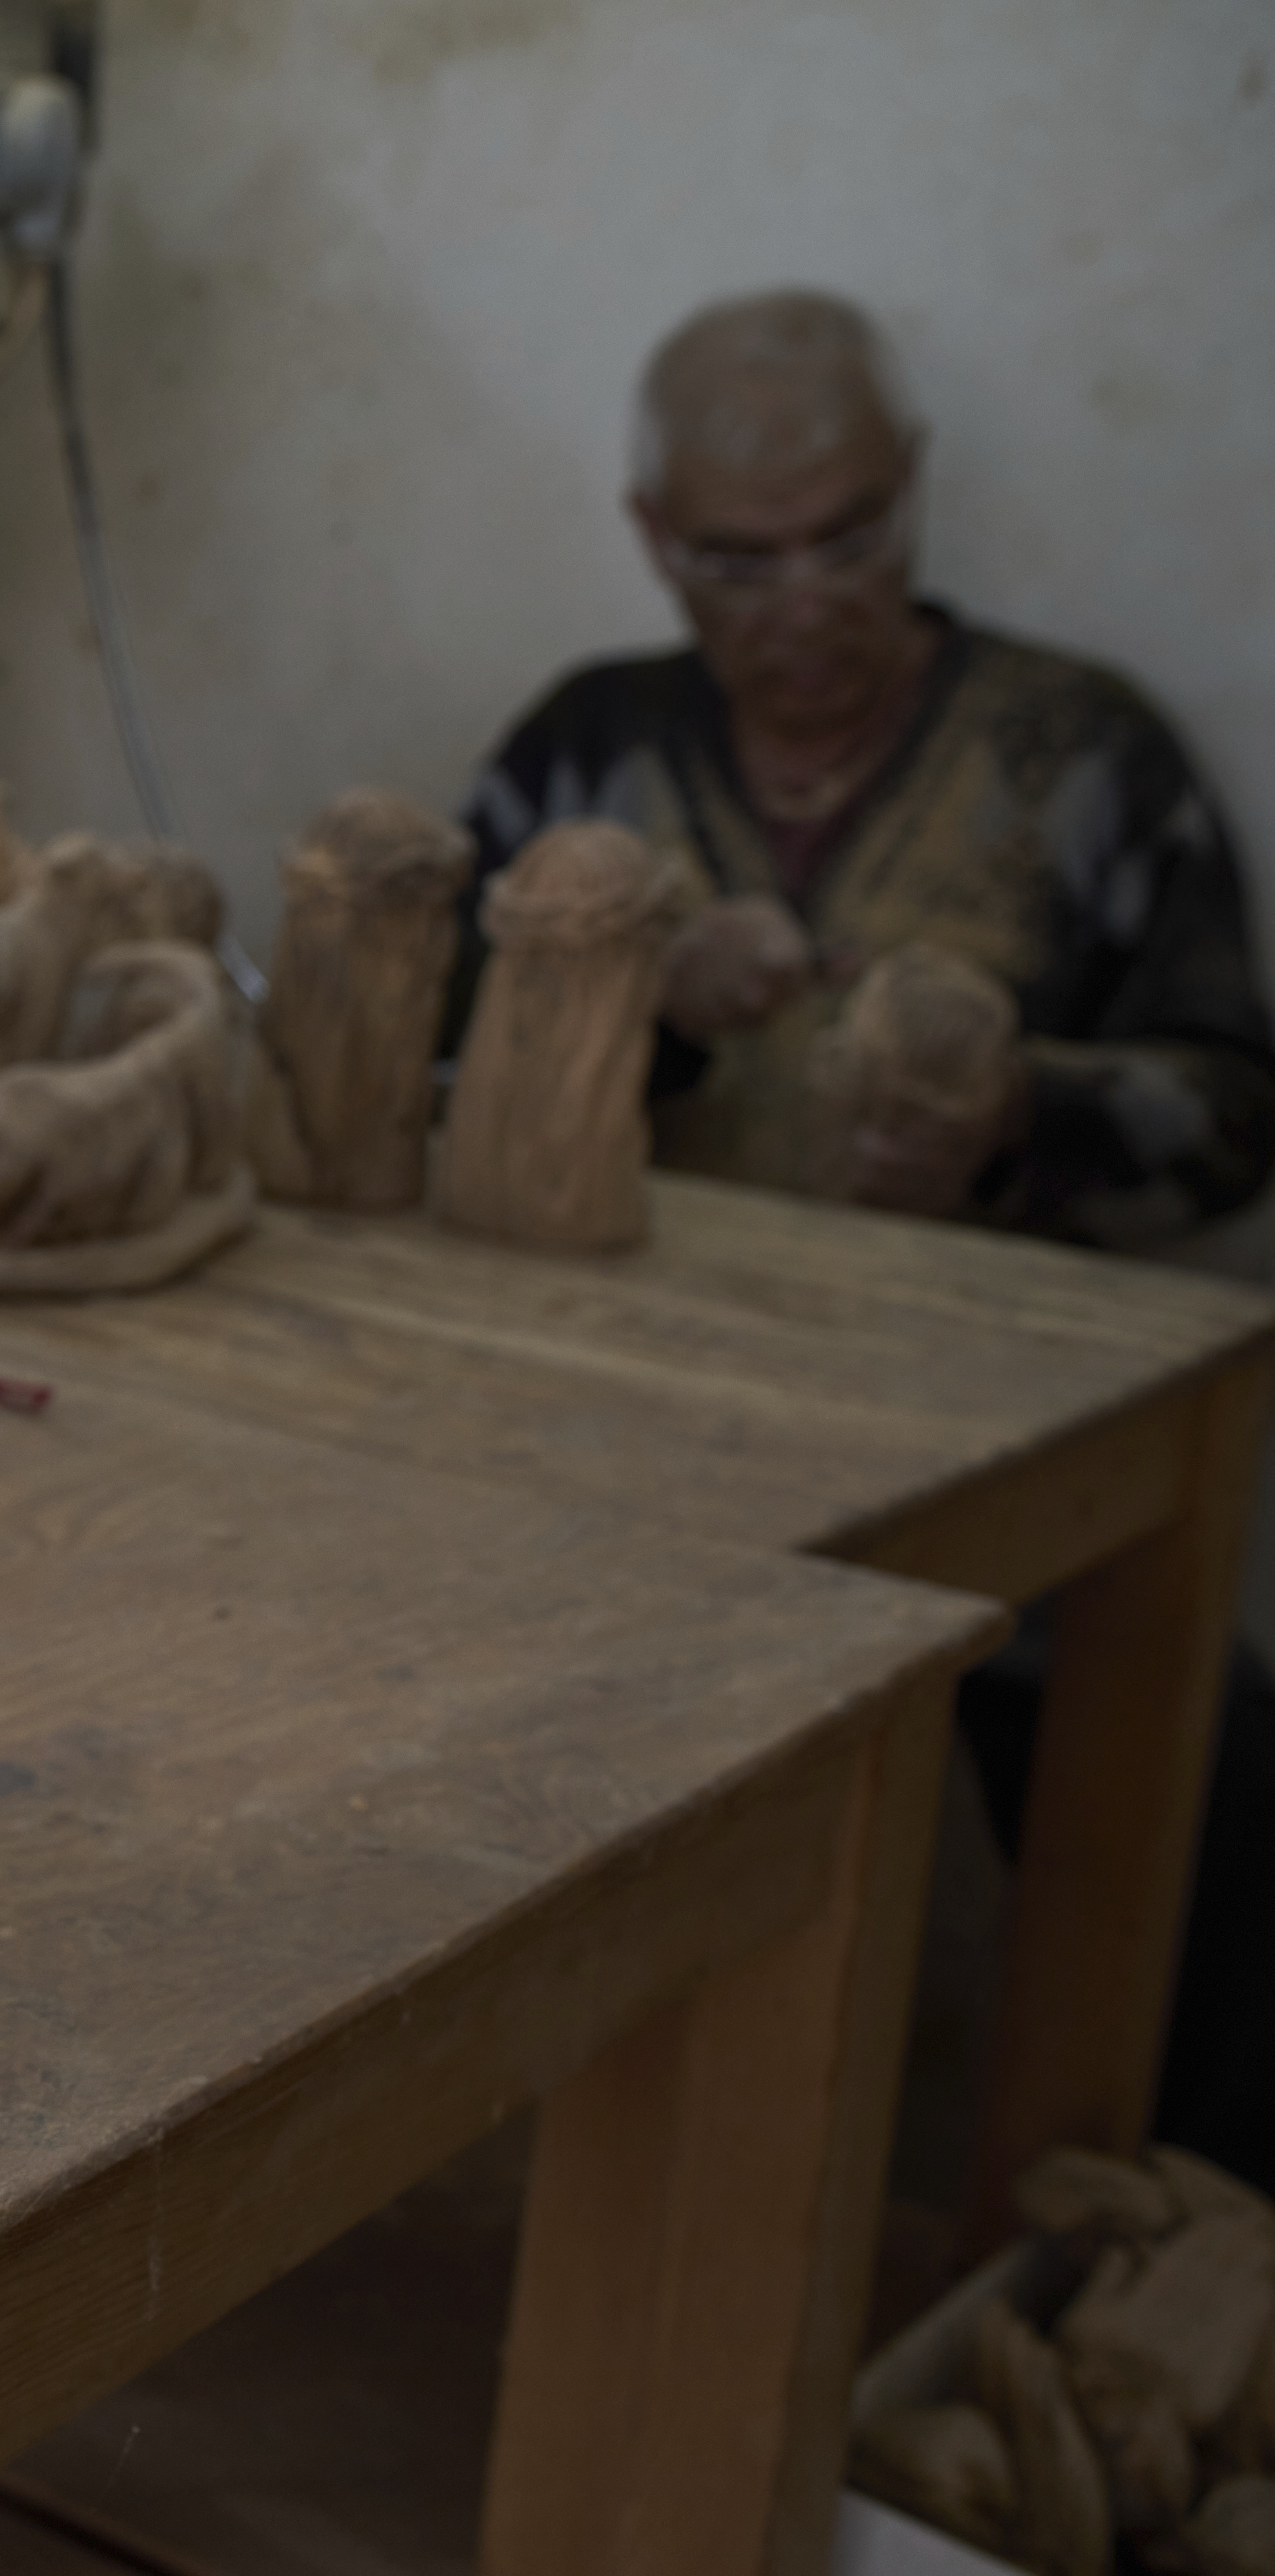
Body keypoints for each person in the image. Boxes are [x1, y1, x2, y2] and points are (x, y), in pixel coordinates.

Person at [453, 287, 1273, 2181]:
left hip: (985, 1439)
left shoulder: (1084, 757)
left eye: (850, 541)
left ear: (914, 494)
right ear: (659, 540)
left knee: (1211, 1761)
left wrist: (1018, 1124)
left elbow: (1238, 1115)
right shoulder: (586, 753)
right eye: (743, 563)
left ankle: (1146, 2248)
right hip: (615, 1430)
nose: (805, 601)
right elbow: (425, 1073)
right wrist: (633, 994)